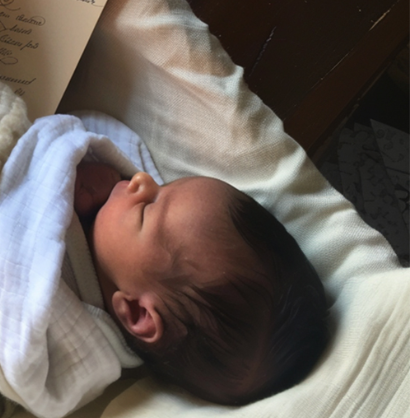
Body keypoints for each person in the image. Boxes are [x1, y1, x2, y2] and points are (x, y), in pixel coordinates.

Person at [73, 162, 329, 405]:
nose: (142, 179)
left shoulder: (71, 341)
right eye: (164, 186)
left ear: (138, 312)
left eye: (145, 210)